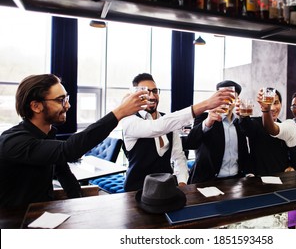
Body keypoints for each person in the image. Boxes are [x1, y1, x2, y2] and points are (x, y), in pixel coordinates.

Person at [0, 74, 148, 208]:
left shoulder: (47, 134)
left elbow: (63, 172)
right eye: (60, 100)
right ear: (36, 106)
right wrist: (120, 112)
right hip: (13, 221)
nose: (68, 105)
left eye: (66, 98)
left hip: (41, 214)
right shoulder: (13, 141)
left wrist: (78, 204)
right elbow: (68, 150)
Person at [122, 74, 236, 191]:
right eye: (145, 92)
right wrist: (206, 104)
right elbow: (157, 127)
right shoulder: (129, 121)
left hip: (165, 190)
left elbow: (178, 156)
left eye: (154, 91)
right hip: (135, 192)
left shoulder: (166, 120)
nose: (151, 96)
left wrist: (182, 182)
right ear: (134, 96)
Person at [184, 80, 252, 184]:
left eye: (231, 96)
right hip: (207, 181)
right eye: (223, 95)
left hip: (236, 181)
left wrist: (248, 173)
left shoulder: (239, 123)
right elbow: (190, 143)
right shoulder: (204, 118)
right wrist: (208, 122)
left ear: (237, 99)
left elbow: (245, 151)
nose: (227, 99)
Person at [238, 89, 291, 176]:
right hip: (259, 179)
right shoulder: (255, 123)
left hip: (282, 177)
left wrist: (290, 166)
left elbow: (289, 153)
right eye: (268, 104)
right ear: (262, 105)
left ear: (281, 104)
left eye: (276, 103)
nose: (272, 108)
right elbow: (246, 127)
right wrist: (243, 116)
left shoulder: (284, 126)